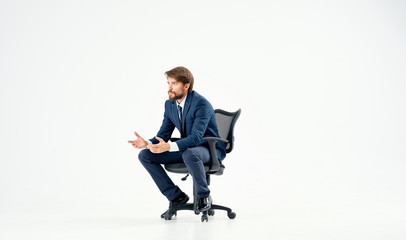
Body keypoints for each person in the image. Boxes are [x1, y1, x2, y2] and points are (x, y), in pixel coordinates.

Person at [128, 66, 226, 215]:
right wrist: (147, 143)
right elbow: (163, 135)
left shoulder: (201, 104)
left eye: (174, 84)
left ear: (186, 86)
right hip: (188, 149)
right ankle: (176, 196)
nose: (169, 88)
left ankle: (203, 196)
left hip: (208, 148)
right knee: (145, 155)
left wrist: (168, 147)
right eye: (168, 83)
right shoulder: (170, 105)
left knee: (190, 154)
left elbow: (195, 138)